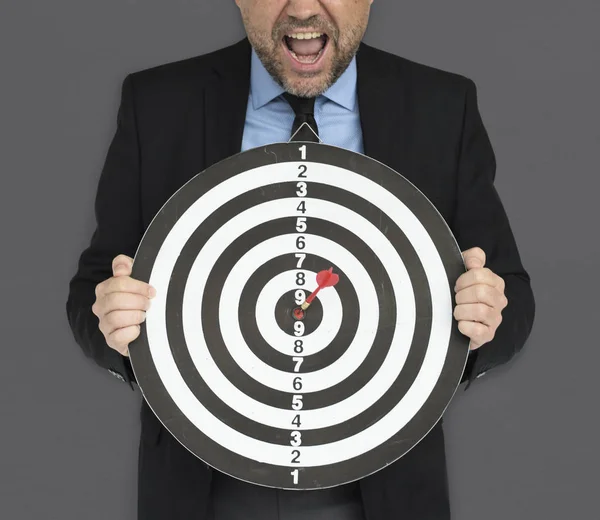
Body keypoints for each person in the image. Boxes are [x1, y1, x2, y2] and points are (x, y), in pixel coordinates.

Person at [66, 1, 535, 519]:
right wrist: (110, 318)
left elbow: (510, 296)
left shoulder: (443, 105)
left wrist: (487, 314)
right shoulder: (157, 102)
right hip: (202, 489)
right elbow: (93, 287)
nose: (305, 6)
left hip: (382, 493)